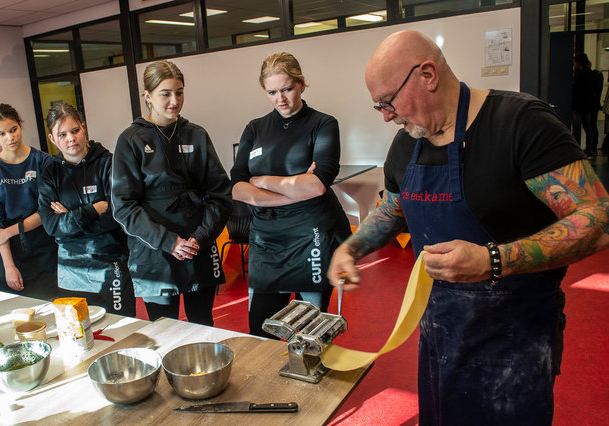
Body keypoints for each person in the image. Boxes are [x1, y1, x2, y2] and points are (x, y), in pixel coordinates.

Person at [327, 30, 609, 425]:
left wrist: (493, 259)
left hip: (514, 342)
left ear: (427, 74)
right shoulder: (409, 142)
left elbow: (597, 218)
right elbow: (395, 209)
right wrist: (353, 248)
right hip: (440, 336)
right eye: (379, 107)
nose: (387, 116)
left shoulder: (519, 123)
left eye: (388, 102)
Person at [231, 52, 351, 338]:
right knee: (260, 329)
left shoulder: (323, 124)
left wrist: (259, 181)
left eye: (287, 89)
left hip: (310, 235)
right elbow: (236, 186)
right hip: (267, 240)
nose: (280, 99)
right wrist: (293, 187)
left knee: (312, 330)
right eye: (272, 92)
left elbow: (317, 185)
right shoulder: (255, 128)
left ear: (301, 84)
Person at [111, 60, 231, 324]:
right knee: (165, 329)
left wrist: (200, 237)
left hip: (198, 247)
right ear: (148, 96)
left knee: (203, 325)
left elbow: (220, 195)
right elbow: (124, 206)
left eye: (179, 92)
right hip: (155, 253)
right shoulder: (131, 140)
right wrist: (169, 242)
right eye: (165, 94)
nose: (174, 100)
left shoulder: (196, 135)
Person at [38, 103, 135, 317]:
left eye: (75, 130)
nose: (71, 138)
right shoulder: (50, 173)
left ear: (84, 128)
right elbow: (51, 225)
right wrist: (91, 210)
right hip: (70, 265)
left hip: (110, 261)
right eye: (62, 134)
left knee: (120, 326)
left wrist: (69, 219)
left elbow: (116, 217)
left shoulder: (108, 164)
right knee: (78, 330)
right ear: (52, 139)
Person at [0, 104, 59, 300]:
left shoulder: (45, 162)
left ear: (21, 125)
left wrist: (8, 232)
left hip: (44, 244)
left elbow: (47, 210)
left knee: (52, 308)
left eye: (13, 129)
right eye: (1, 133)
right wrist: (9, 266)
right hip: (8, 249)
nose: (10, 137)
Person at [572, 52, 599, 156]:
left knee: (577, 129)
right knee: (588, 128)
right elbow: (594, 90)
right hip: (587, 106)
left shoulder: (579, 75)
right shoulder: (591, 74)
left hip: (578, 106)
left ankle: (577, 149)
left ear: (579, 62)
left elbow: (576, 90)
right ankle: (589, 148)